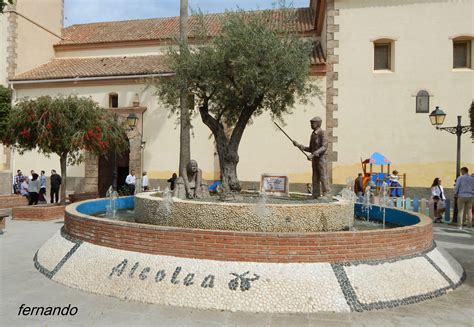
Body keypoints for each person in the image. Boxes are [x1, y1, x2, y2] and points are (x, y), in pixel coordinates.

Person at [293, 116, 331, 199]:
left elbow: (324, 147)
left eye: (312, 123)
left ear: (318, 123)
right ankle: (316, 194)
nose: (311, 124)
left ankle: (327, 194)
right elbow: (311, 148)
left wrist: (313, 154)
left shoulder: (322, 133)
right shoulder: (312, 135)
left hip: (322, 158)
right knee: (315, 176)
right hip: (315, 159)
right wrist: (299, 145)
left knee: (323, 175)